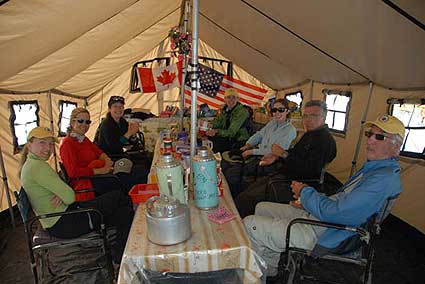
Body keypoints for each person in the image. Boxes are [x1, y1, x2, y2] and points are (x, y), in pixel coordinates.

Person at [243, 114, 404, 277]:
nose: (370, 140)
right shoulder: (374, 169)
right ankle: (269, 267)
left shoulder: (382, 179)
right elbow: (342, 200)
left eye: (380, 137)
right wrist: (308, 202)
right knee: (261, 207)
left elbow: (339, 212)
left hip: (331, 232)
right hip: (324, 218)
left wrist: (305, 193)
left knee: (250, 224)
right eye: (369, 134)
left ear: (396, 147)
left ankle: (255, 277)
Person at [20, 126, 134, 264]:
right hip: (66, 223)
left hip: (60, 218)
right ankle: (122, 256)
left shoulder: (30, 165)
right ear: (29, 144)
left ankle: (120, 258)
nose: (47, 148)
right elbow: (69, 196)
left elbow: (66, 193)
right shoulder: (37, 167)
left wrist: (61, 192)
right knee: (119, 197)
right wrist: (63, 193)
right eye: (42, 142)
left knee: (124, 212)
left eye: (50, 144)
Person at [235, 100, 337, 216]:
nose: (308, 119)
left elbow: (309, 170)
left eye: (313, 115)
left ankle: (236, 226)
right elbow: (295, 153)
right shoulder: (310, 134)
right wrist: (276, 157)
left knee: (247, 198)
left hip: (299, 185)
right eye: (305, 115)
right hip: (285, 174)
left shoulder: (324, 141)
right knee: (248, 188)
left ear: (323, 117)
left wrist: (283, 154)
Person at [221, 98, 297, 197]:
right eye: (274, 110)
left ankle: (235, 198)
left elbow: (275, 151)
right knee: (227, 162)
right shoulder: (272, 124)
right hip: (258, 154)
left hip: (271, 161)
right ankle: (231, 195)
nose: (277, 113)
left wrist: (252, 151)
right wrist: (248, 144)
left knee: (233, 173)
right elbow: (259, 135)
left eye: (281, 110)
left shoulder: (290, 130)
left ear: (287, 111)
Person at [59, 108, 138, 201]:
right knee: (124, 180)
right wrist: (101, 170)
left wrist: (107, 161)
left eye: (87, 122)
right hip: (86, 180)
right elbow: (73, 173)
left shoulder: (83, 139)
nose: (84, 125)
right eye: (80, 121)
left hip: (97, 172)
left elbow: (99, 152)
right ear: (72, 123)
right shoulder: (67, 144)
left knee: (132, 171)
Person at [94, 96, 150, 180]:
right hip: (110, 157)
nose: (118, 109)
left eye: (121, 107)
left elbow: (129, 140)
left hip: (121, 153)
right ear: (109, 109)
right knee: (141, 169)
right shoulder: (107, 125)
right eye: (115, 106)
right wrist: (129, 133)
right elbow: (115, 147)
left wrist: (133, 135)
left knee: (148, 158)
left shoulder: (122, 122)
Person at [206, 88, 250, 153]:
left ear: (237, 99)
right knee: (208, 139)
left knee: (214, 143)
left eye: (234, 97)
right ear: (225, 99)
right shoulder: (225, 110)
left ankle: (216, 160)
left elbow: (232, 132)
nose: (231, 100)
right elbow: (219, 122)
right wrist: (209, 125)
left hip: (239, 140)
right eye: (228, 97)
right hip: (228, 137)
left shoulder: (242, 112)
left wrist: (217, 131)